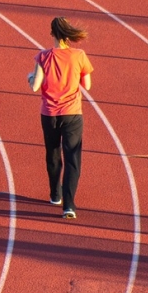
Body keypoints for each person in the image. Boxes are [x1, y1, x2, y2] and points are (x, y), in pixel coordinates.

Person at [27, 17, 93, 219]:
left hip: (49, 114)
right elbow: (87, 85)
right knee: (73, 158)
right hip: (73, 113)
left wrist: (30, 76)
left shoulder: (43, 56)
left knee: (53, 153)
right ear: (68, 34)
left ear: (52, 34)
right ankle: (69, 205)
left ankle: (55, 194)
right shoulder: (79, 55)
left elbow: (35, 85)